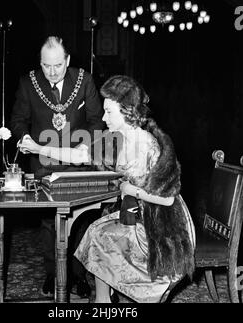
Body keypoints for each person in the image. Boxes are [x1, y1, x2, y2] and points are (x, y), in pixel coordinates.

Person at [18, 74, 196, 303]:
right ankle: (103, 303)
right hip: (136, 215)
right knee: (96, 231)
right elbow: (80, 154)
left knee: (102, 235)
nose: (103, 117)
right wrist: (37, 148)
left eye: (109, 112)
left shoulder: (147, 144)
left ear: (127, 110)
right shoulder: (116, 139)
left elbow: (167, 200)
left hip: (162, 225)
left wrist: (131, 191)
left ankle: (113, 299)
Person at [10, 35, 105, 298]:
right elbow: (18, 120)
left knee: (82, 219)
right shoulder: (28, 82)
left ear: (68, 61)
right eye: (46, 66)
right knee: (50, 223)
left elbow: (97, 120)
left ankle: (78, 274)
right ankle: (52, 273)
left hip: (78, 163)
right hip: (44, 164)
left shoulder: (84, 80)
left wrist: (87, 146)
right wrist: (24, 137)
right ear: (40, 63)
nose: (52, 72)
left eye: (58, 66)